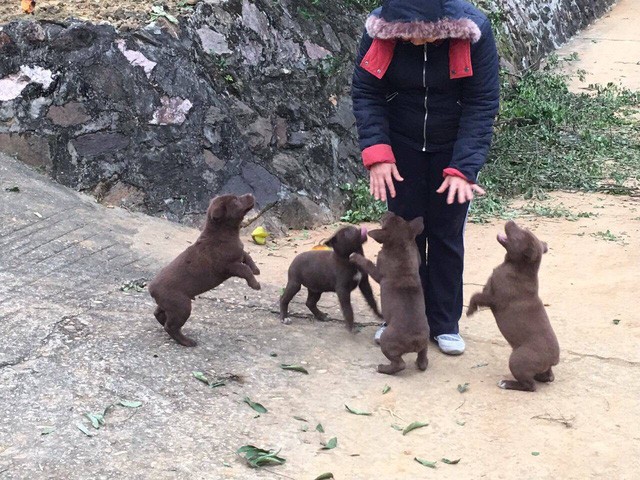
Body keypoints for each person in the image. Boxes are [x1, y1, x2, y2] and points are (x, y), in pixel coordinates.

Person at [351, 0, 500, 355]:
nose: (413, 42)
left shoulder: (474, 30)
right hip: (401, 146)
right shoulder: (382, 30)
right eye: (407, 35)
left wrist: (464, 168)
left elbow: (482, 102)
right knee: (401, 238)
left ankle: (444, 321)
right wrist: (378, 155)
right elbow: (367, 92)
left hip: (451, 144)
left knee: (446, 234)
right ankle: (400, 318)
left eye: (422, 36)